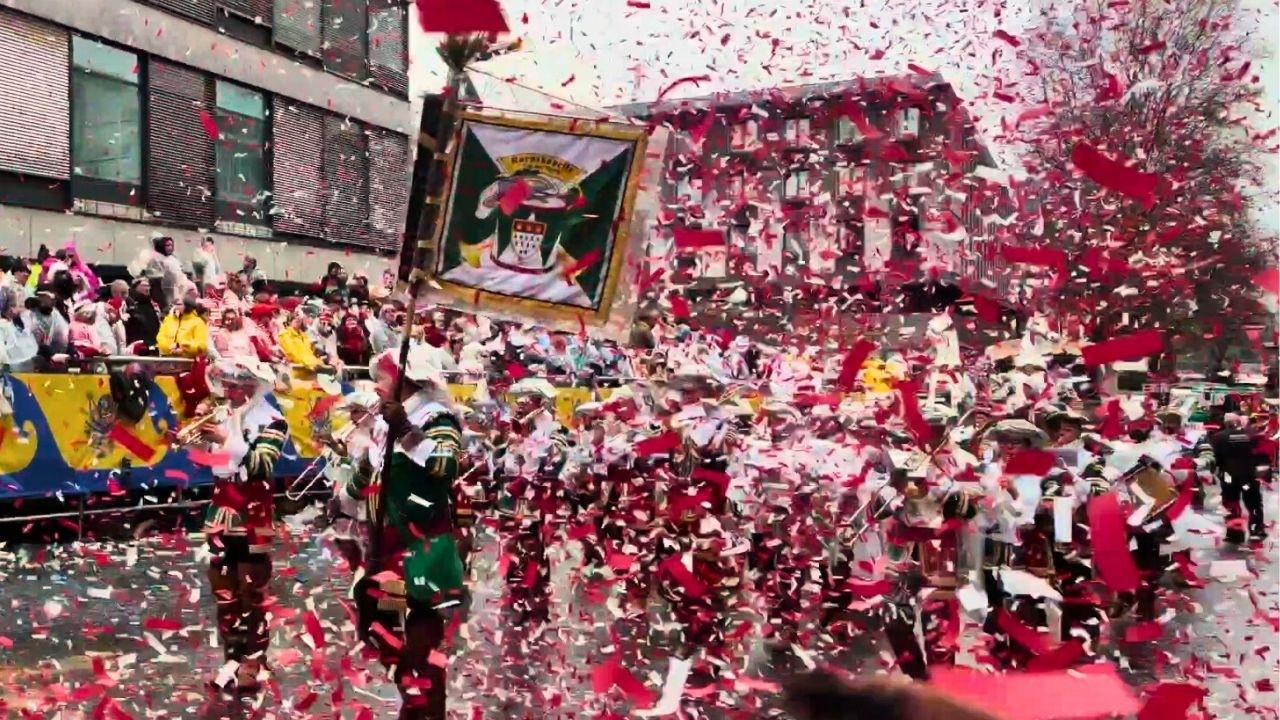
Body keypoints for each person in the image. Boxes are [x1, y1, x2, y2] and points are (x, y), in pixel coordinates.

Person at [349, 345, 466, 720]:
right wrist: (345, 495)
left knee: (420, 640)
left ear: (404, 379)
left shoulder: (437, 417)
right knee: (387, 633)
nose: (376, 386)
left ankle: (426, 713)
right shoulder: (385, 421)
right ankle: (413, 705)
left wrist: (407, 430)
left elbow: (445, 464)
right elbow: (369, 476)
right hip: (387, 546)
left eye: (381, 378)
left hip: (423, 546)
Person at [198, 358, 288, 693]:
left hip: (253, 513)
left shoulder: (273, 421)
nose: (228, 392)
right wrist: (198, 443)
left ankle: (254, 660)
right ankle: (231, 658)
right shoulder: (224, 414)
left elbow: (262, 465)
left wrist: (224, 438)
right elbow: (216, 465)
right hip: (221, 511)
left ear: (252, 387)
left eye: (235, 386)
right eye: (227, 386)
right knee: (224, 592)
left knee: (253, 591)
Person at [1213, 412, 1268, 543]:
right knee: (1253, 503)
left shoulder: (1219, 437)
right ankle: (1256, 531)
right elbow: (1260, 454)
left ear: (1225, 423)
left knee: (1231, 504)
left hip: (1228, 477)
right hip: (1248, 477)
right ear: (1238, 423)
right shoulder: (1250, 436)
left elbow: (1215, 458)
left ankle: (1235, 534)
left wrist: (1218, 473)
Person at [157, 288, 210, 359]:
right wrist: (170, 348)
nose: (175, 307)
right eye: (175, 304)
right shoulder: (168, 319)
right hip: (167, 360)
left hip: (188, 362)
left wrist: (183, 348)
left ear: (187, 306)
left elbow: (201, 345)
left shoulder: (198, 322)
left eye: (179, 304)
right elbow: (160, 338)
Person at [144, 236, 186, 308]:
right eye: (167, 245)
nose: (170, 247)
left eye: (171, 245)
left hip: (176, 291)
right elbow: (152, 276)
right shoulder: (155, 260)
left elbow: (180, 272)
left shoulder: (174, 258)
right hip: (161, 292)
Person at [124, 278, 163, 354]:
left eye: (148, 286)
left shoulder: (152, 304)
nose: (147, 288)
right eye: (144, 285)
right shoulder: (130, 302)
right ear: (136, 287)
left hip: (153, 343)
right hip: (138, 344)